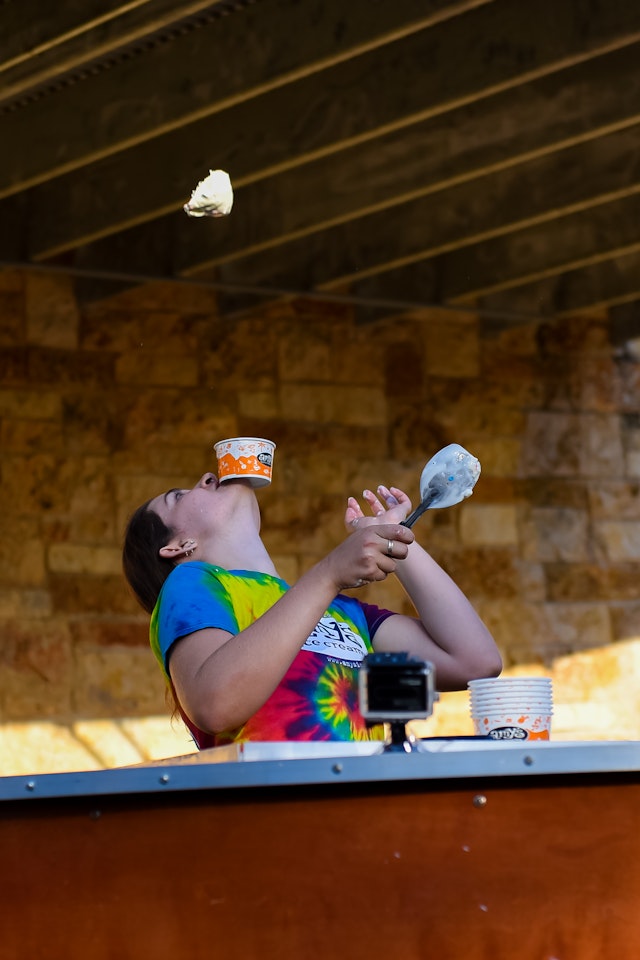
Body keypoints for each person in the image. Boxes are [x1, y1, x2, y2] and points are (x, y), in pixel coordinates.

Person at [122, 470, 502, 748]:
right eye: (178, 496)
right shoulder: (192, 583)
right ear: (178, 547)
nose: (206, 476)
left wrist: (396, 536)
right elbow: (215, 704)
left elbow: (474, 661)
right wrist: (328, 574)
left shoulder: (336, 609)